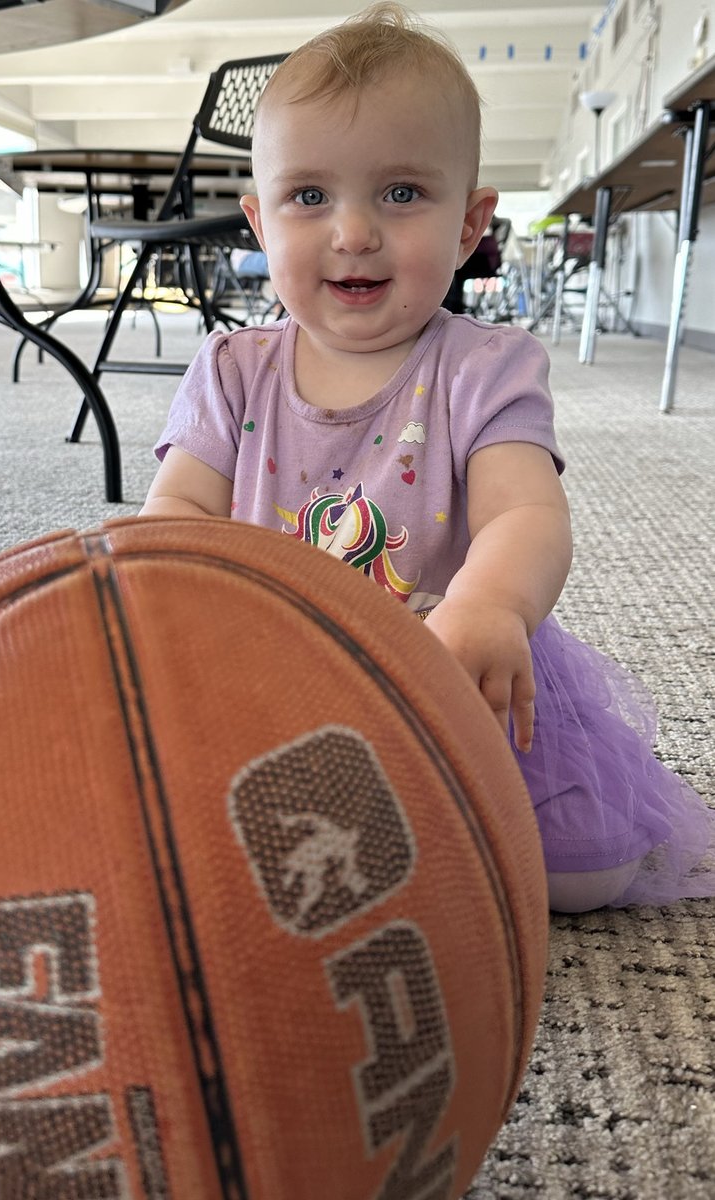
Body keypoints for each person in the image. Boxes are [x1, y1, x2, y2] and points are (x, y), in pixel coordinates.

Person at [141, 2, 715, 912]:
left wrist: (492, 605)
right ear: (259, 222)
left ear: (469, 224)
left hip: (451, 672)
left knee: (588, 866)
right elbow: (176, 519)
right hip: (274, 675)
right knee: (178, 834)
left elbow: (524, 512)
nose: (355, 231)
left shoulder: (486, 367)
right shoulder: (231, 370)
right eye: (310, 196)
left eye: (402, 193)